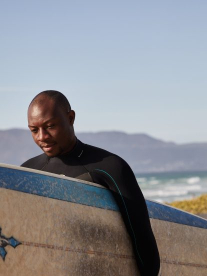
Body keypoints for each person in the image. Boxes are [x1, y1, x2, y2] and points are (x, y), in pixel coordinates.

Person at [21, 90, 160, 275]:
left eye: (50, 126)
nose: (42, 137)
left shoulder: (110, 168)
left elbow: (142, 240)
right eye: (34, 130)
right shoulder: (27, 171)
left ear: (70, 118)